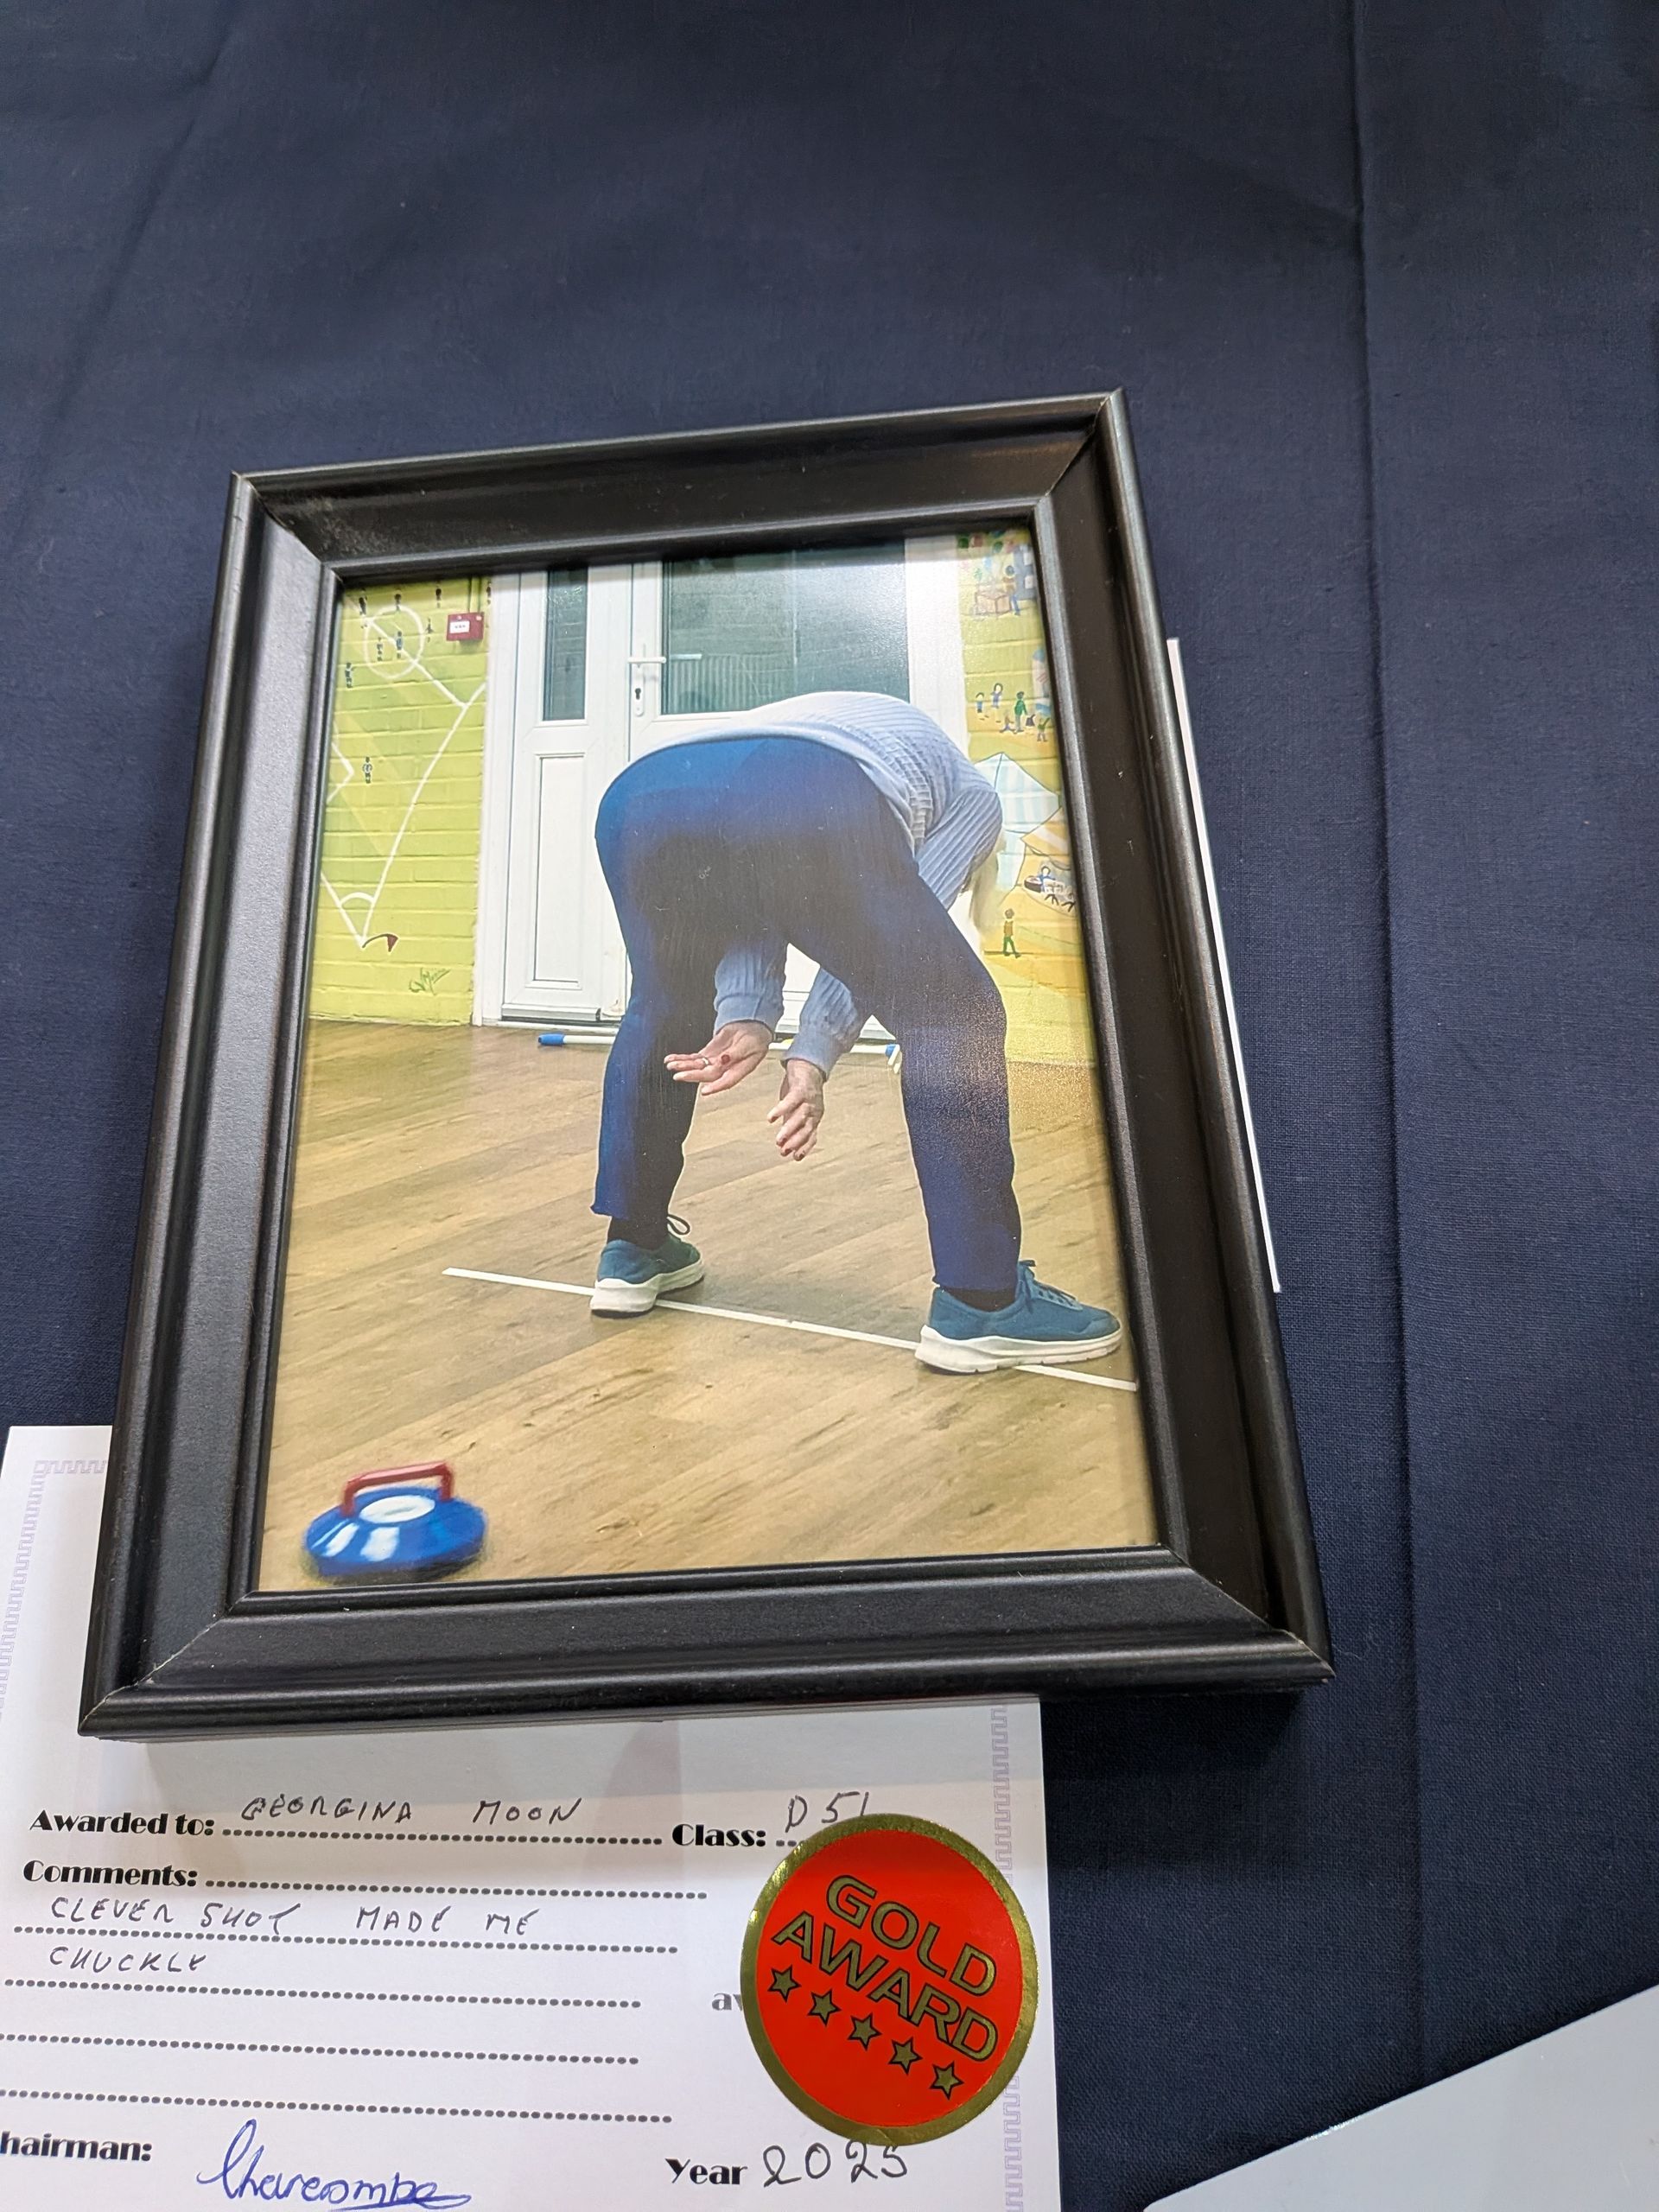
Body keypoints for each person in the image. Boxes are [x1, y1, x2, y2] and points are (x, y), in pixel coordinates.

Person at [588, 691, 1120, 1375]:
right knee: (953, 1012)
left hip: (642, 799)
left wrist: (746, 1014)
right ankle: (984, 1301)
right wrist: (811, 1056)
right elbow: (877, 961)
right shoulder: (976, 803)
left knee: (664, 1004)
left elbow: (752, 876)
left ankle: (633, 1248)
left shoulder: (843, 728)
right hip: (799, 785)